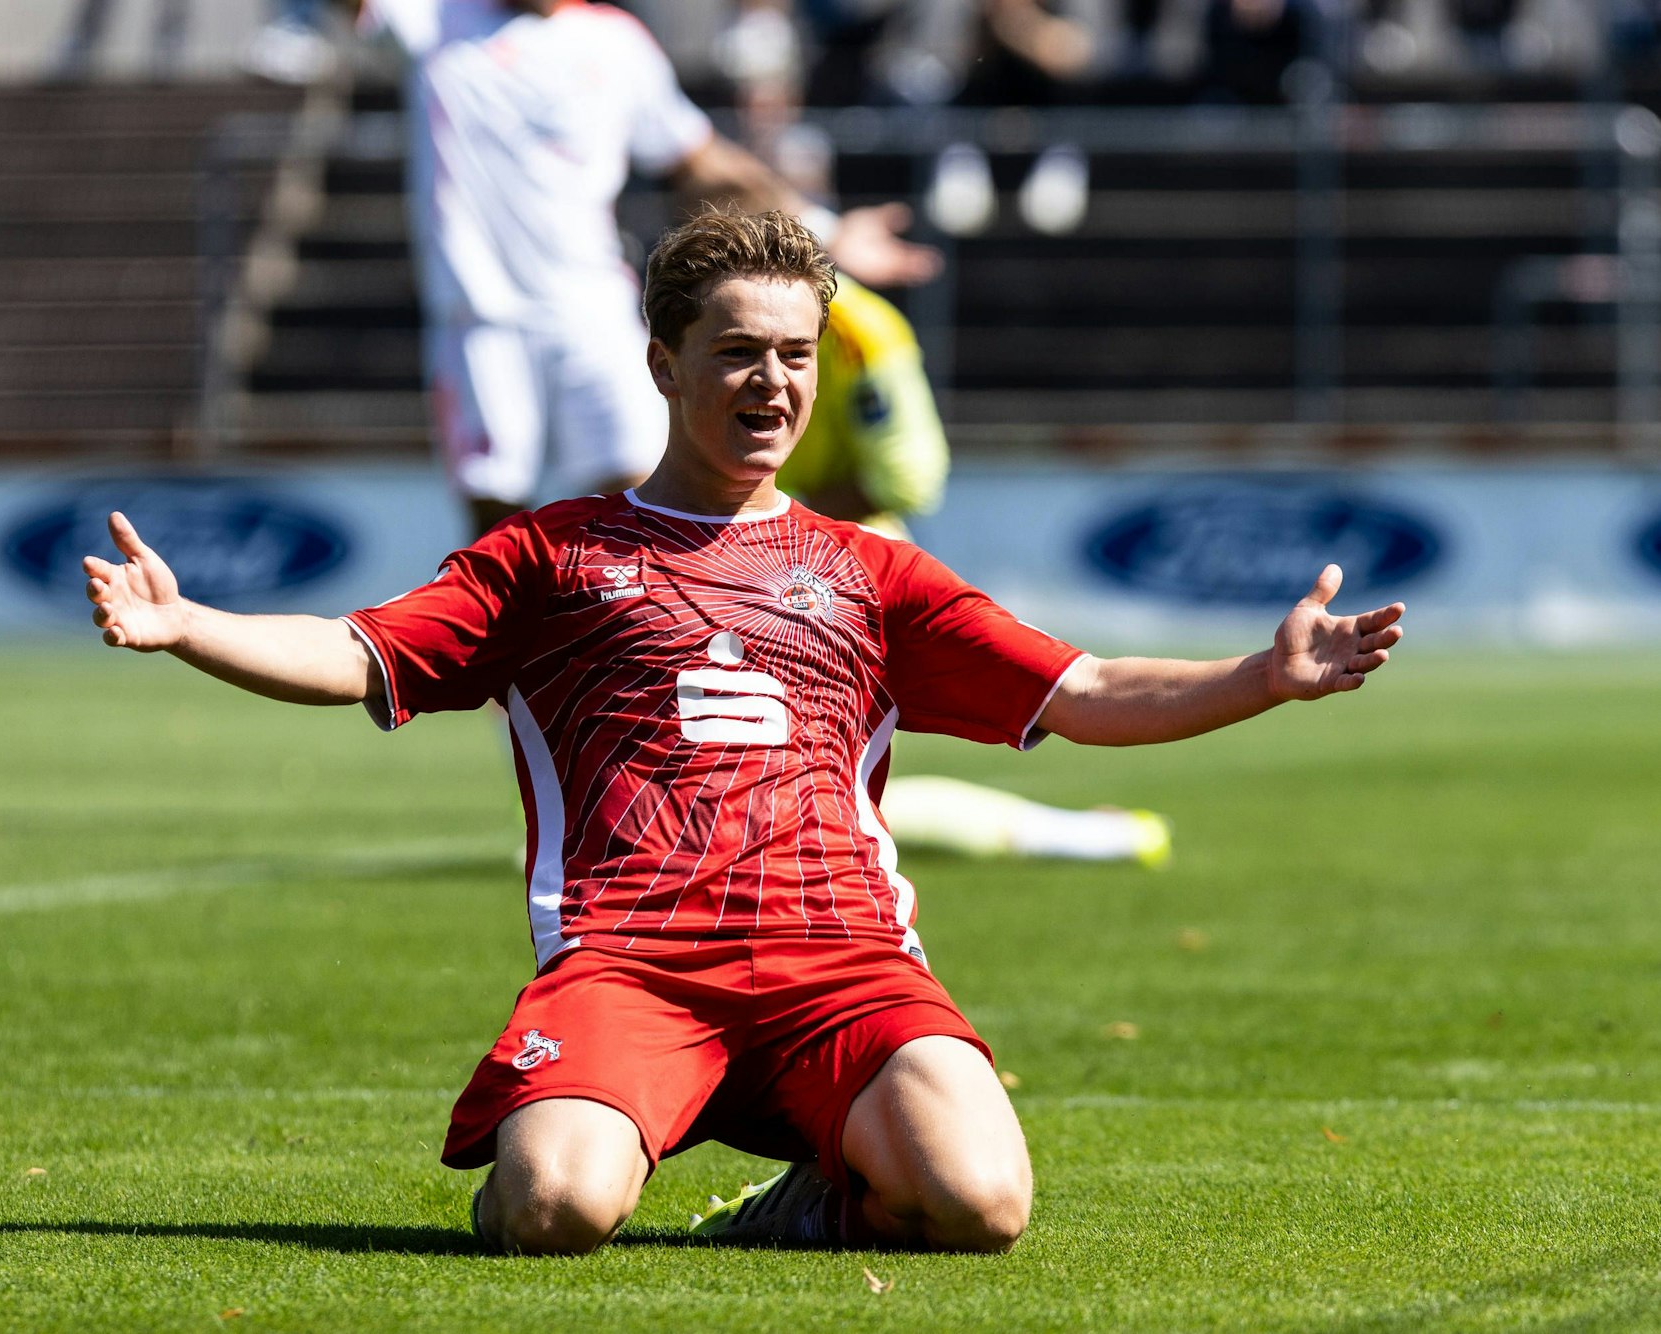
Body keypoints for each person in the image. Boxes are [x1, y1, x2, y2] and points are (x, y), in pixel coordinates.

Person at [83, 209, 1405, 1255]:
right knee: (553, 1208)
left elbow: (1085, 687)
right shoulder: (551, 555)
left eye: (795, 354)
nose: (772, 381)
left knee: (982, 1202)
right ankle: (559, 1149)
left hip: (843, 964)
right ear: (665, 364)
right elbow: (356, 651)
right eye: (737, 351)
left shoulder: (871, 570)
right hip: (633, 963)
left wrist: (1259, 675)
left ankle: (812, 1199)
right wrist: (189, 624)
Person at [357, 0, 940, 540]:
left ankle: (642, 624)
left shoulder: (615, 43)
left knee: (648, 505)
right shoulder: (432, 18)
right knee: (497, 526)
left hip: (592, 314)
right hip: (479, 316)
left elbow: (700, 160)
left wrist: (823, 228)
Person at [783, 273, 1172, 865]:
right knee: (803, 789)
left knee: (812, 792)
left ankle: (1095, 838)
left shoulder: (859, 325)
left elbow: (909, 475)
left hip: (829, 577)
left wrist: (767, 516)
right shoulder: (689, 307)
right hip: (778, 563)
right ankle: (1099, 837)